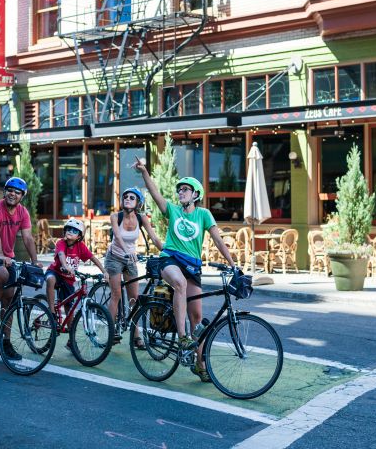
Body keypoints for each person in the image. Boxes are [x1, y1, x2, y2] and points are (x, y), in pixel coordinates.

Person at [134, 157, 236, 382]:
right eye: (179, 189)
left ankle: (199, 365)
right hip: (169, 259)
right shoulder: (173, 210)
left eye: (185, 189)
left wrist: (233, 264)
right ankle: (181, 337)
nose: (180, 192)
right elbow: (156, 194)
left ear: (196, 194)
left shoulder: (204, 214)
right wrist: (144, 172)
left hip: (193, 266)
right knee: (178, 284)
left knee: (197, 318)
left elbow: (218, 240)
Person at [0, 177, 41, 360]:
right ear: (5, 192)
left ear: (22, 196)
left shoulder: (23, 212)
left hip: (7, 257)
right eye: (10, 190)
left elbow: (27, 238)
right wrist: (1, 256)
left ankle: (5, 343)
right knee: (2, 275)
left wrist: (35, 261)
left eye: (17, 192)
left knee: (10, 297)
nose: (13, 193)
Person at [105, 187, 163, 348]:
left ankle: (136, 336)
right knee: (116, 294)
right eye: (125, 197)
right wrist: (126, 252)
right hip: (114, 257)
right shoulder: (115, 216)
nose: (128, 199)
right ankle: (112, 332)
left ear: (138, 203)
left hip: (130, 260)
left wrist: (168, 252)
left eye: (132, 197)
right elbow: (117, 236)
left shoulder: (141, 218)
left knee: (134, 300)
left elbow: (154, 238)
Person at [45, 217, 109, 350]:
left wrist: (104, 271)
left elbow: (92, 258)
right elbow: (61, 254)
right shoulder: (61, 243)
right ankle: (51, 311)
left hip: (68, 279)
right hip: (56, 272)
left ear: (79, 236)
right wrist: (64, 265)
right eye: (68, 229)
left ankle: (71, 341)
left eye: (74, 230)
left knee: (70, 308)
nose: (70, 231)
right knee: (50, 280)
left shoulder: (81, 247)